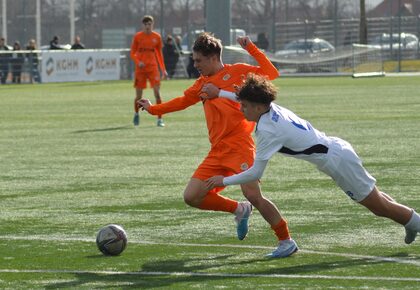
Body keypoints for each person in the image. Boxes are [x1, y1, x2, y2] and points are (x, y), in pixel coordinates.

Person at [205, 74, 420, 255]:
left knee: (377, 207)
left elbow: (256, 172)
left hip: (336, 161)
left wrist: (224, 180)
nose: (240, 108)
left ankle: (414, 222)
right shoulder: (270, 108)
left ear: (258, 106)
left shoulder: (268, 130)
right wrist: (220, 93)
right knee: (377, 198)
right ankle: (409, 221)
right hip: (337, 149)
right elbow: (244, 98)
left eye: (244, 106)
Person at [139, 33, 297, 258]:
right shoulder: (202, 84)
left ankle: (286, 241)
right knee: (192, 196)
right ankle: (238, 209)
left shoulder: (239, 72)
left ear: (213, 57)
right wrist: (153, 109)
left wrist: (251, 48)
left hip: (240, 147)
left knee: (254, 195)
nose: (195, 65)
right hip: (217, 151)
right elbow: (182, 102)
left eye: (198, 60)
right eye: (194, 61)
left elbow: (272, 74)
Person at [130, 15, 167, 127]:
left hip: (152, 68)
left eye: (149, 24)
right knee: (139, 96)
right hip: (140, 69)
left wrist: (163, 70)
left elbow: (159, 54)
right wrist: (138, 61)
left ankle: (159, 119)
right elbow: (132, 53)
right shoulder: (138, 37)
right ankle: (136, 114)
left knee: (157, 93)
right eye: (145, 24)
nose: (147, 26)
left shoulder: (157, 37)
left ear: (152, 24)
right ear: (143, 25)